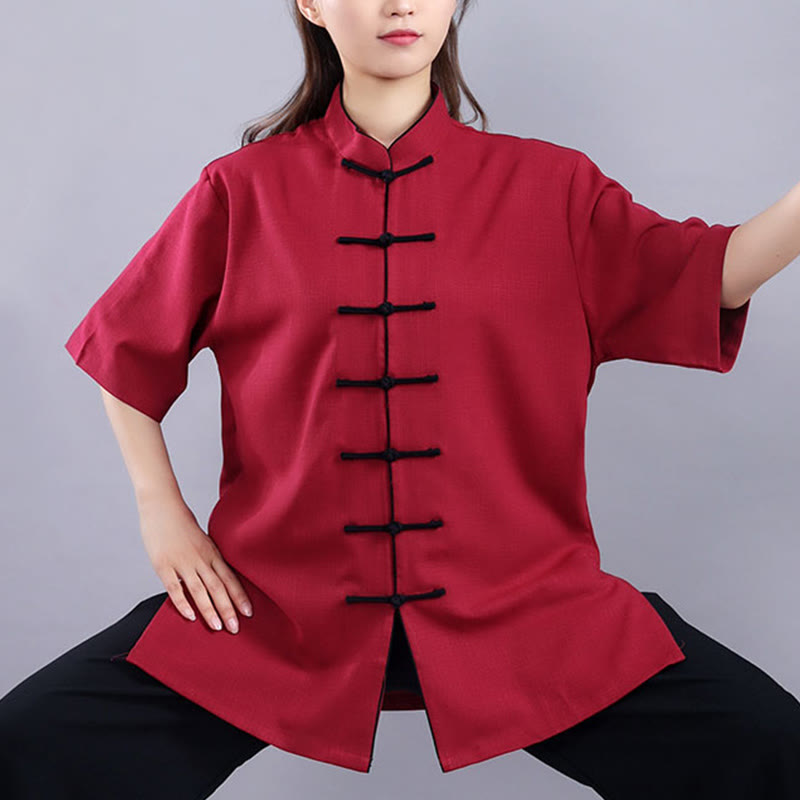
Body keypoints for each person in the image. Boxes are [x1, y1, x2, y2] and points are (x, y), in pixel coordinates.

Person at [2, 0, 800, 797]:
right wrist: (161, 513)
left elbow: (711, 273)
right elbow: (125, 346)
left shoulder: (552, 187)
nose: (399, 3)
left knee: (772, 748)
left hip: (523, 608)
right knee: (26, 750)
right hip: (273, 612)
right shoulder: (242, 192)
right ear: (311, 5)